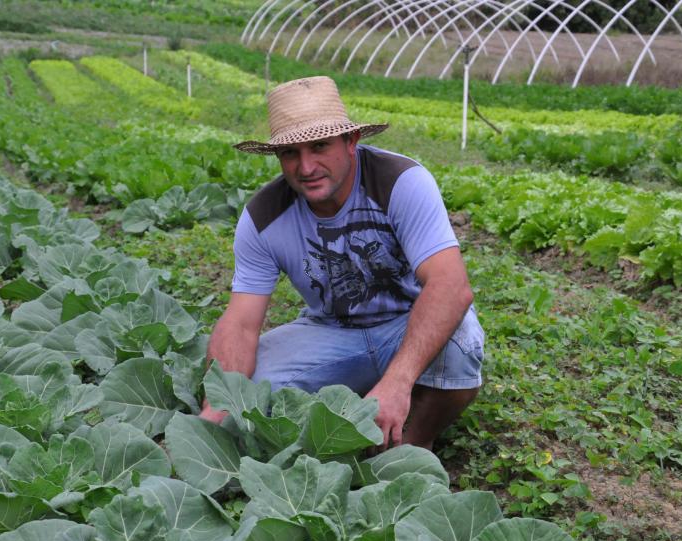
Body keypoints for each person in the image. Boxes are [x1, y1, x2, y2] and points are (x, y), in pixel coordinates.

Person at [199, 76, 484, 450]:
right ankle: (365, 397)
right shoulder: (263, 217)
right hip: (333, 333)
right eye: (290, 153)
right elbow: (240, 323)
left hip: (406, 323)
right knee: (246, 392)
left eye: (319, 146)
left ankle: (410, 447)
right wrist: (216, 411)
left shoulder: (400, 182)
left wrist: (397, 381)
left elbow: (450, 286)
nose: (306, 167)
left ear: (351, 142)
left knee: (460, 337)